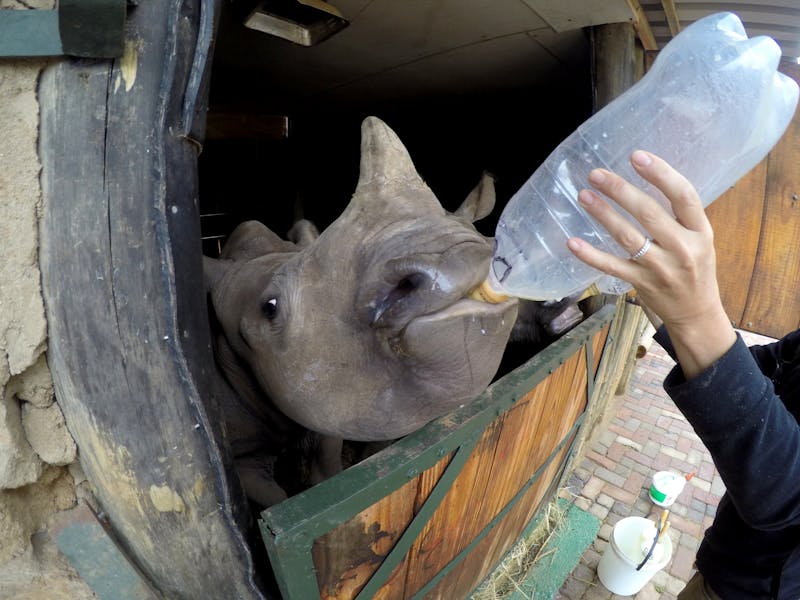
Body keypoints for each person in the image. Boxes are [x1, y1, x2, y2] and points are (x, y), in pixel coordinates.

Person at [566, 150, 800, 599]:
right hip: (726, 561)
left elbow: (788, 498)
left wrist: (697, 314)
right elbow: (757, 373)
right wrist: (665, 303)